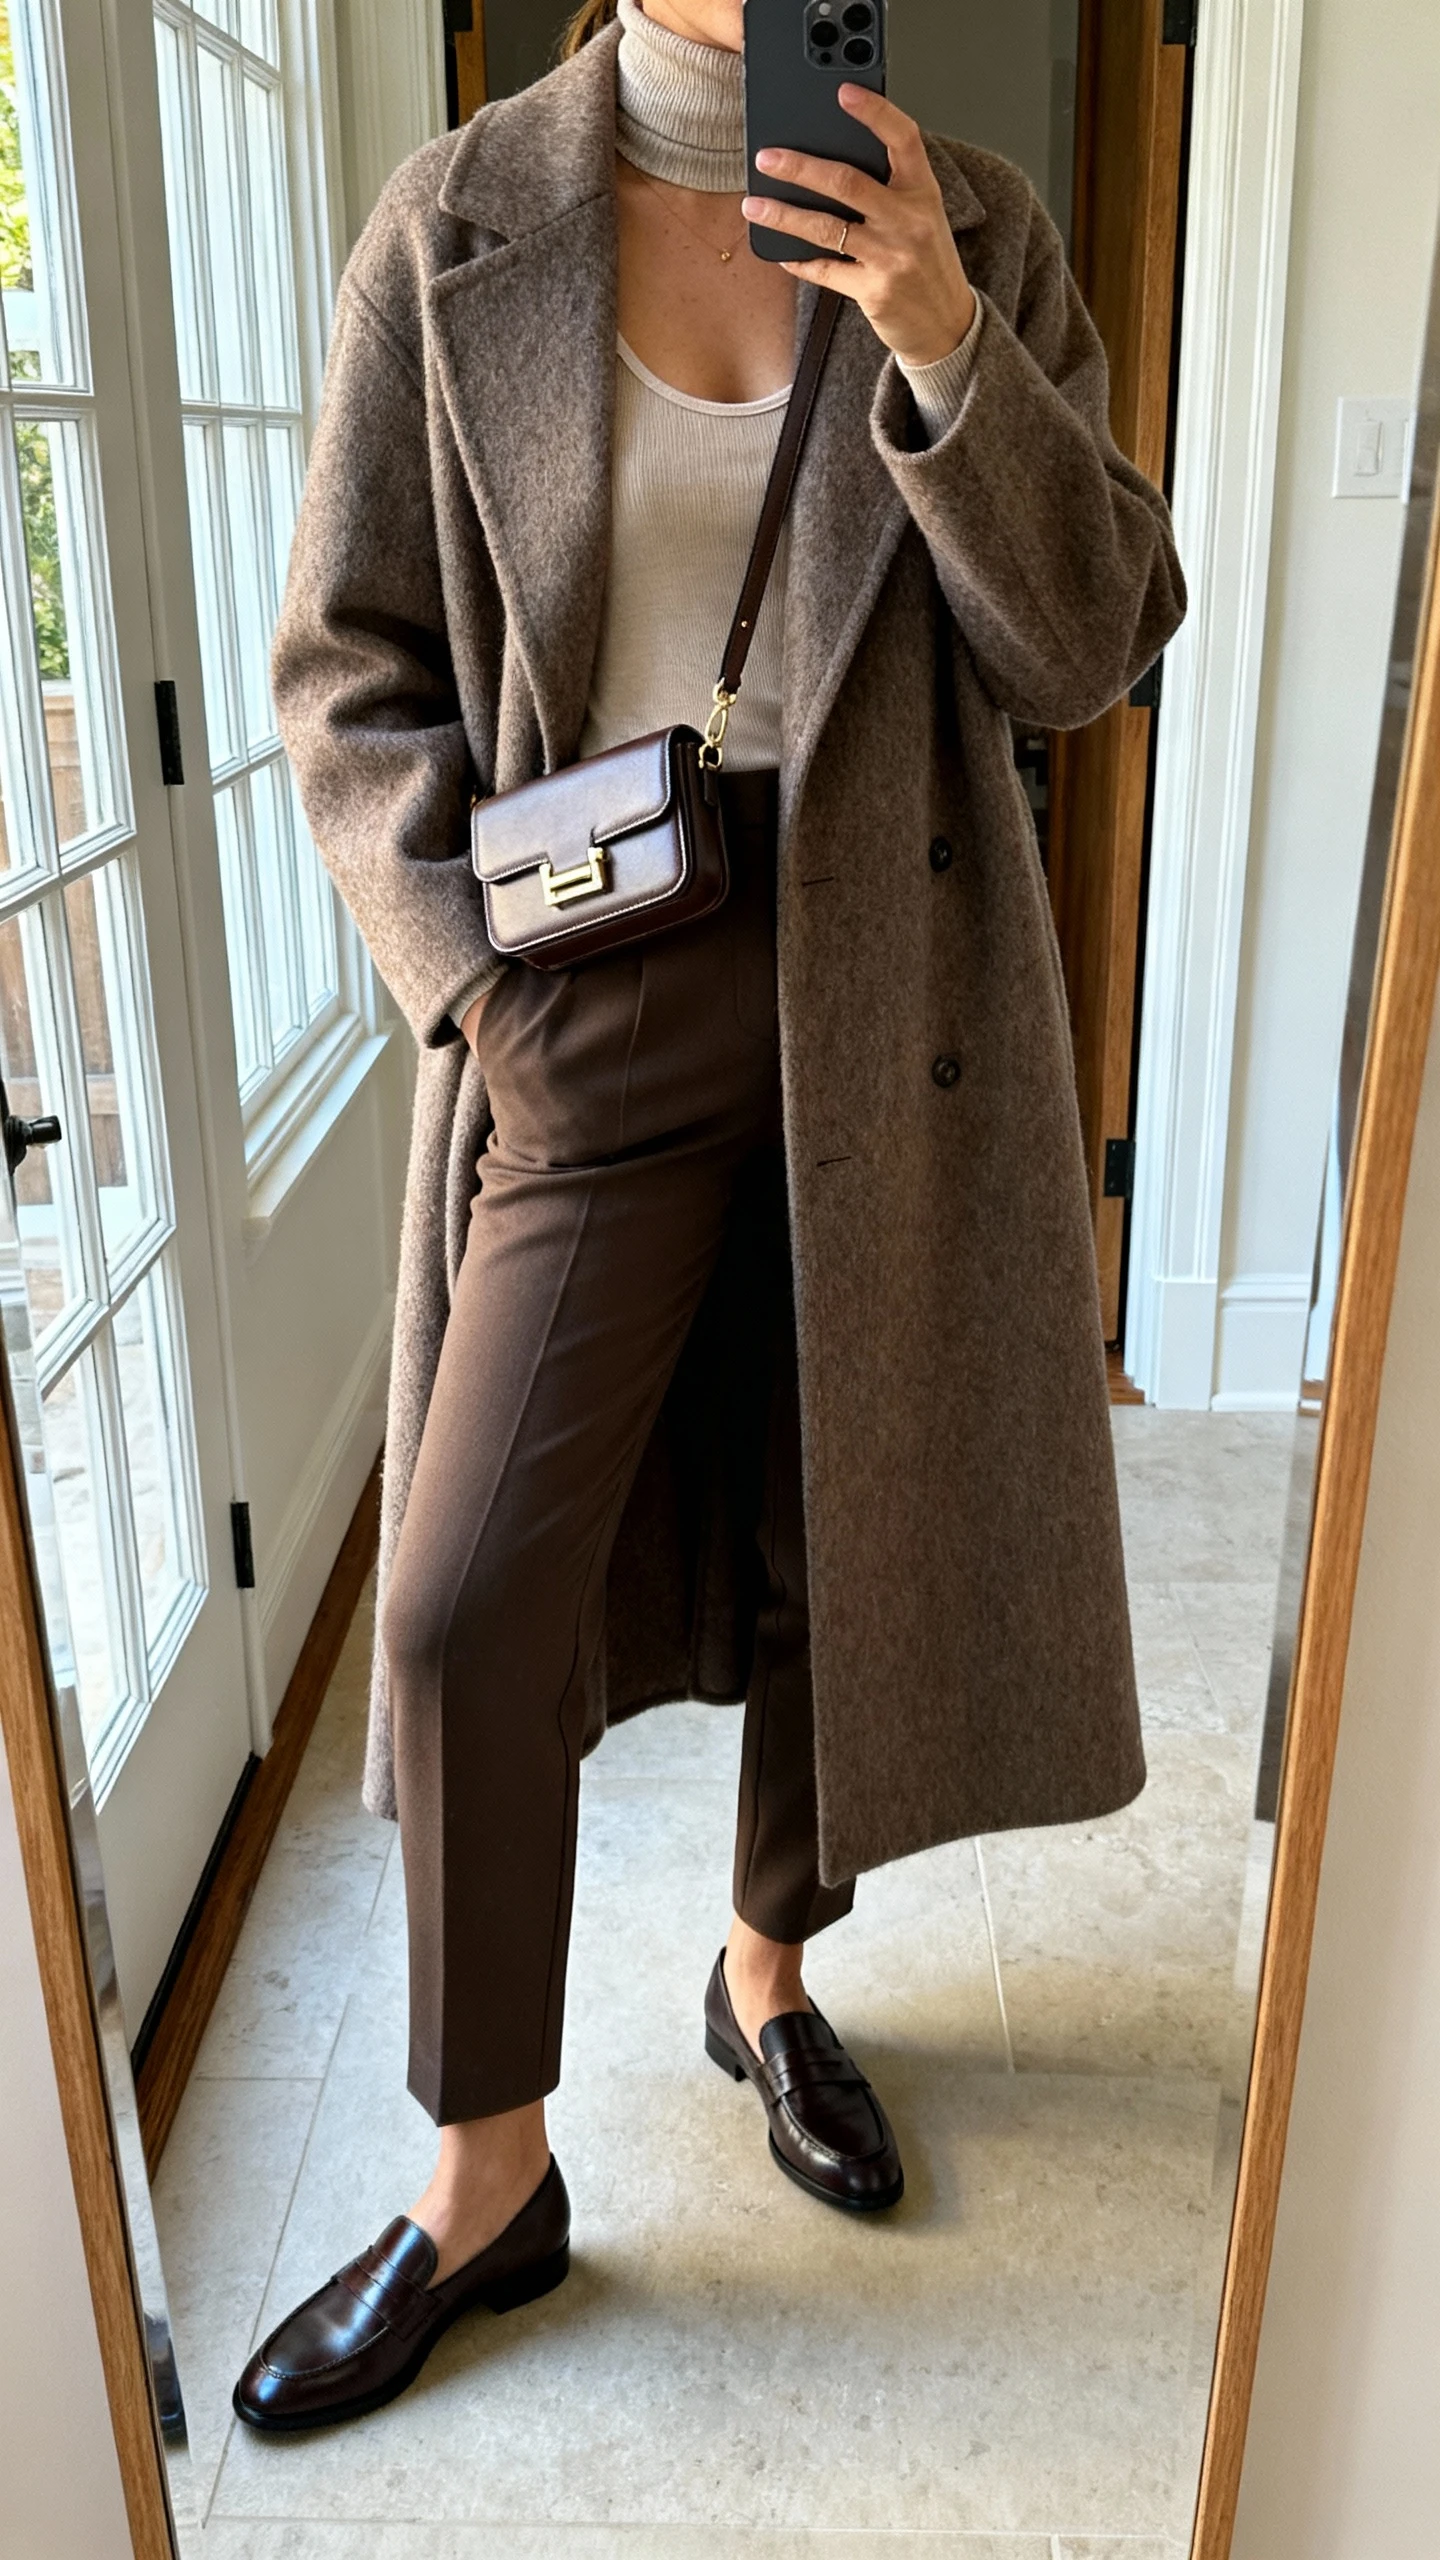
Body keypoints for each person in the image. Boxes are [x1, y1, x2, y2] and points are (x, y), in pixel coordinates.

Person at [235, 0, 1185, 2432]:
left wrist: (944, 337)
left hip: (897, 994)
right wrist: (463, 983)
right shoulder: (451, 230)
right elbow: (346, 675)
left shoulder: (974, 224)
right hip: (585, 991)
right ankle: (486, 2173)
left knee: (825, 1528)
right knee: (457, 1603)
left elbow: (1084, 650)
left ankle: (768, 1965)